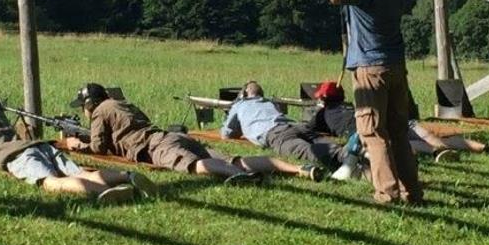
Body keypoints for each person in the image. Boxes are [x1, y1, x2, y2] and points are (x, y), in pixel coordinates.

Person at [66, 83, 323, 183]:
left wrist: (79, 145)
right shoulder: (121, 104)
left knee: (192, 166)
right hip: (169, 136)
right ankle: (298, 170)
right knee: (231, 158)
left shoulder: (100, 111)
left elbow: (99, 148)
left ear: (90, 104)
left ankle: (242, 177)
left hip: (155, 146)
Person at [328, 0, 420, 204]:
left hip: (370, 68)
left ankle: (386, 192)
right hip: (395, 66)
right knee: (399, 131)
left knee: (373, 133)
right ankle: (411, 191)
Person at [0, 89, 145, 203]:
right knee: (81, 172)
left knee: (50, 183)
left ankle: (102, 192)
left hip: (18, 156)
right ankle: (127, 177)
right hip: (39, 146)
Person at [306, 81, 489, 162]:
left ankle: (436, 153)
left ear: (323, 100)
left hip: (373, 128)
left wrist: (318, 111)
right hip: (396, 119)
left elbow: (311, 130)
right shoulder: (352, 106)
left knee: (405, 144)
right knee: (432, 136)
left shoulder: (323, 114)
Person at [220, 81, 347, 173]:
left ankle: (344, 157)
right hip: (294, 125)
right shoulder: (269, 101)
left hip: (276, 133)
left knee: (306, 150)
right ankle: (351, 153)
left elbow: (226, 134)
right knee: (324, 143)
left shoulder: (239, 105)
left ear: (243, 94)